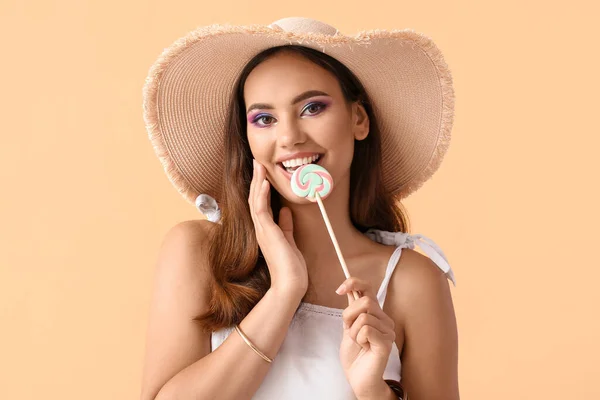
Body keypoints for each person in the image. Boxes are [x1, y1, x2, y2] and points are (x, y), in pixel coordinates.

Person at [140, 17, 459, 400]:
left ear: (358, 119)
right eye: (264, 119)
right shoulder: (198, 250)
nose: (289, 137)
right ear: (248, 138)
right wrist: (285, 292)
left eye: (312, 108)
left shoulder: (413, 280)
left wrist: (373, 390)